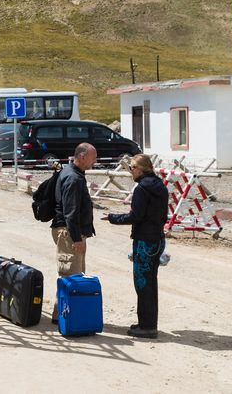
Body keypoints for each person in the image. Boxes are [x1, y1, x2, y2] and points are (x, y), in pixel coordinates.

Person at [102, 153, 169, 339]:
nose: (130, 171)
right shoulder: (160, 186)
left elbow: (135, 216)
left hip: (145, 242)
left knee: (142, 284)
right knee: (150, 283)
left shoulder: (142, 188)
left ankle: (147, 326)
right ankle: (147, 322)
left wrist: (113, 218)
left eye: (131, 168)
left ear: (139, 169)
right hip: (157, 238)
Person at [50, 142, 97, 320]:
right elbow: (70, 212)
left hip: (69, 232)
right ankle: (63, 316)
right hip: (69, 233)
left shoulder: (72, 173)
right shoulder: (73, 178)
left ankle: (65, 313)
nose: (95, 161)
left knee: (74, 273)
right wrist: (77, 238)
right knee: (70, 274)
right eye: (93, 158)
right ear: (82, 156)